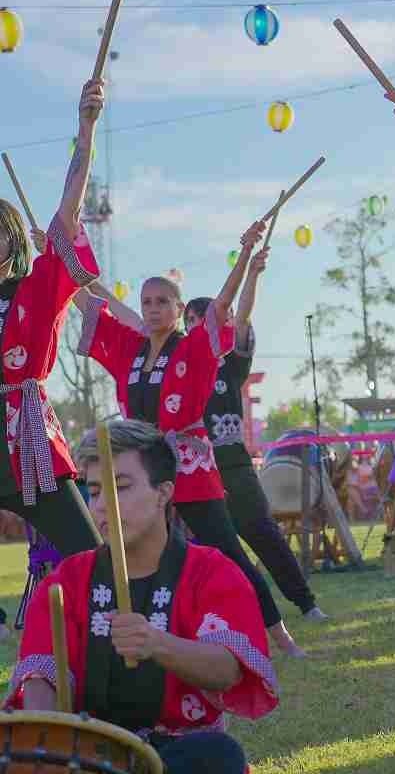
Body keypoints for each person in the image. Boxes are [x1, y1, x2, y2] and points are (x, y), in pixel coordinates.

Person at [73, 222, 302, 656]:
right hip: (143, 464)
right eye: (147, 302)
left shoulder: (193, 346)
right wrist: (56, 252)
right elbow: (84, 298)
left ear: (179, 309)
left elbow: (224, 304)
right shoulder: (130, 347)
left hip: (188, 462)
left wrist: (245, 256)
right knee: (139, 550)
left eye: (163, 301)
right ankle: (146, 631)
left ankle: (280, 636)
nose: (153, 309)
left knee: (227, 550)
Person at [6, 419, 278, 772]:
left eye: (120, 487)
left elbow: (228, 670)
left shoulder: (212, 572)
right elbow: (41, 677)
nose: (103, 505)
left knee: (218, 753)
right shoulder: (65, 581)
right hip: (89, 755)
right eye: (95, 491)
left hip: (177, 749)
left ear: (163, 493)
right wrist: (46, 740)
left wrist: (156, 643)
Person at [0, 80, 112, 636]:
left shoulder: (37, 288)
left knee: (86, 554)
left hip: (28, 439)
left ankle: (115, 637)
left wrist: (85, 130)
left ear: (12, 240)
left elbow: (68, 208)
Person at [182, 245, 328, 631]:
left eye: (203, 319)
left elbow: (243, 315)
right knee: (209, 550)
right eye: (190, 321)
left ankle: (306, 603)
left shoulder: (230, 362)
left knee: (265, 536)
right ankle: (223, 615)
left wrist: (254, 274)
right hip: (195, 470)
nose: (196, 326)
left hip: (233, 465)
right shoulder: (178, 366)